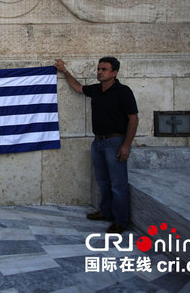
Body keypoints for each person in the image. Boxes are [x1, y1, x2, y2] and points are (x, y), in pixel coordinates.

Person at [54, 57, 138, 233]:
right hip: (98, 142)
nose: (100, 72)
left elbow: (133, 118)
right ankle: (106, 212)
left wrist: (126, 145)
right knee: (103, 181)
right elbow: (78, 88)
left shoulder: (123, 92)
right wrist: (64, 71)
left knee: (118, 184)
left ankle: (121, 221)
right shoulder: (97, 90)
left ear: (114, 73)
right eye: (99, 69)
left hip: (115, 142)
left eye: (104, 69)